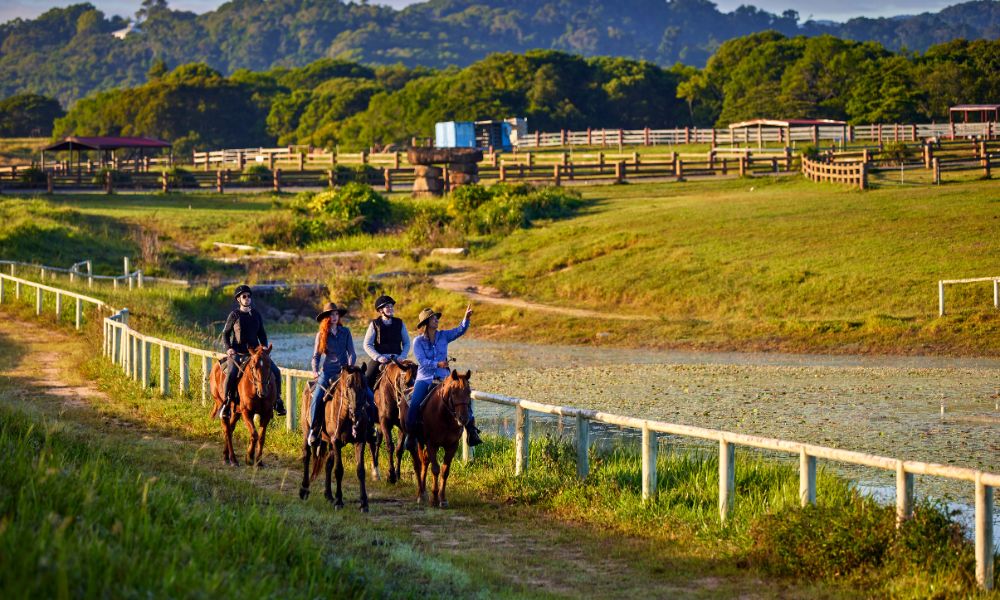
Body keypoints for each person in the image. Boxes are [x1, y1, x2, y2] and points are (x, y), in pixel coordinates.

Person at [405, 304, 482, 451]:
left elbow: (459, 331)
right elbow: (422, 361)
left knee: (463, 397)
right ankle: (411, 436)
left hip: (444, 378)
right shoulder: (418, 342)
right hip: (425, 378)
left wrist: (466, 319)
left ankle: (471, 431)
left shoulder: (443, 336)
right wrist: (437, 364)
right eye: (433, 318)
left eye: (436, 318)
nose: (436, 320)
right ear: (426, 323)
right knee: (414, 405)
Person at [307, 301, 375, 447]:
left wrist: (350, 367)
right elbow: (316, 356)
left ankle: (372, 426)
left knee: (368, 393)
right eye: (331, 314)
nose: (334, 317)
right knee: (317, 396)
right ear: (326, 317)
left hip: (345, 371)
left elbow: (351, 352)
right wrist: (315, 371)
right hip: (328, 371)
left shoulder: (346, 332)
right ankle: (314, 429)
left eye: (336, 314)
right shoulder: (321, 335)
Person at [220, 284, 285, 419]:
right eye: (244, 296)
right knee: (231, 374)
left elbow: (262, 333)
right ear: (239, 299)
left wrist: (264, 348)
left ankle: (278, 401)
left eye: (249, 296)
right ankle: (226, 404)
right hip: (238, 353)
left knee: (276, 372)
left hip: (255, 353)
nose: (247, 298)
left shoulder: (256, 314)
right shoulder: (234, 315)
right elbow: (225, 334)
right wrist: (229, 349)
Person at [361, 294, 410, 392]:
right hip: (380, 358)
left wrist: (402, 356)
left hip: (397, 358)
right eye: (387, 307)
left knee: (412, 376)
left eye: (392, 306)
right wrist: (378, 357)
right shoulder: (374, 324)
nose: (391, 308)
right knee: (365, 380)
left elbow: (407, 343)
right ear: (380, 310)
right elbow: (367, 344)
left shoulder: (400, 323)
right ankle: (367, 405)